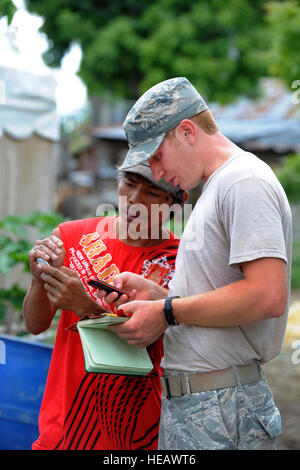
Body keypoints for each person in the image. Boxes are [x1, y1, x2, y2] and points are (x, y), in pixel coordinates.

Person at [103, 77, 292, 450]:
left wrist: (168, 311)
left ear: (186, 131)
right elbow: (219, 295)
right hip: (204, 401)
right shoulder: (220, 185)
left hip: (221, 404)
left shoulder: (243, 181)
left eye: (156, 156)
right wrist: (160, 298)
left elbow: (267, 295)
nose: (155, 173)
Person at [22, 163, 186, 450]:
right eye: (129, 182)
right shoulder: (70, 235)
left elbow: (152, 340)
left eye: (152, 192)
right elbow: (35, 325)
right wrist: (39, 281)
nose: (134, 198)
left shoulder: (181, 261)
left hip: (134, 432)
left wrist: (84, 305)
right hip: (64, 426)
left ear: (175, 203)